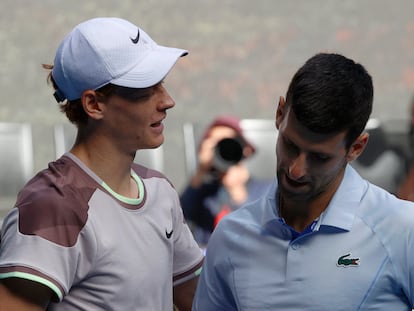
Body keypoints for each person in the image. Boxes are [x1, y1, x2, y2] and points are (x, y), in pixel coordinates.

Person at [0, 17, 204, 311]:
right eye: (145, 89)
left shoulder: (161, 191)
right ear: (93, 104)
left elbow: (198, 301)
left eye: (162, 84)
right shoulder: (50, 206)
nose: (167, 101)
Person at [193, 53, 414, 310]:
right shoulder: (231, 237)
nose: (296, 170)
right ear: (279, 114)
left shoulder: (402, 229)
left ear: (356, 147)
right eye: (290, 144)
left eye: (319, 157)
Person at [180, 115, 272, 245]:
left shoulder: (267, 190)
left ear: (244, 149)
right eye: (216, 144)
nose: (224, 148)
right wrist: (201, 170)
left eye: (229, 142)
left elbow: (263, 231)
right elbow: (178, 218)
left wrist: (237, 190)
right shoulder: (203, 193)